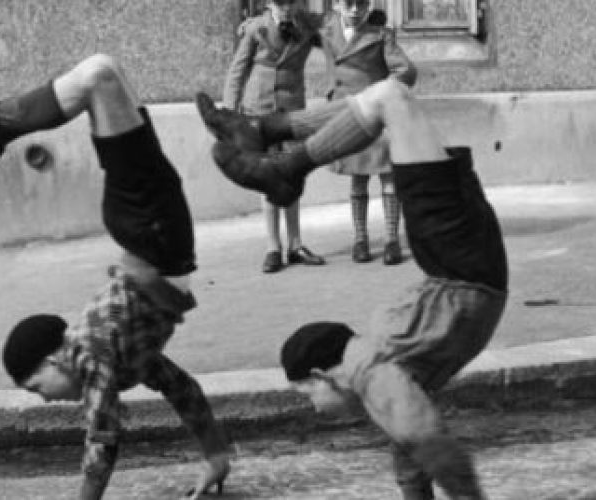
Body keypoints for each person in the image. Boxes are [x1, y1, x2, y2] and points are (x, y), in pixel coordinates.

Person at [0, 54, 232, 500]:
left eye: (38, 387)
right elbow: (182, 389)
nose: (49, 400)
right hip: (155, 231)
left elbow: (101, 444)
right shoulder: (123, 354)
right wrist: (216, 457)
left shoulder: (93, 354)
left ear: (55, 360)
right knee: (103, 76)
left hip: (152, 230)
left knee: (99, 76)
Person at [196, 77, 507, 500]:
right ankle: (267, 135)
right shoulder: (376, 369)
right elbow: (410, 449)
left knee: (392, 99)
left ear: (324, 375)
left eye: (307, 395)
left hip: (462, 261)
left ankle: (283, 165)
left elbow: (428, 437)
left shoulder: (368, 373)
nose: (312, 407)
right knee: (390, 99)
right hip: (459, 260)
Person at [224, 0, 326, 273]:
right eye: (280, 3)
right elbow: (237, 70)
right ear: (269, 4)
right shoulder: (256, 29)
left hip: (291, 113)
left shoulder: (307, 26)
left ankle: (295, 245)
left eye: (291, 2)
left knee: (292, 175)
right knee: (267, 178)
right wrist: (230, 113)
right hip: (260, 111)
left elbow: (338, 38)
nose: (286, 8)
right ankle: (273, 247)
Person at [320, 0, 416, 265]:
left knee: (388, 175)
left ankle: (390, 240)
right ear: (337, 4)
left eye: (361, 4)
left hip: (376, 114)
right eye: (349, 4)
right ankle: (360, 240)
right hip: (348, 113)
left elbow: (405, 69)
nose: (355, 10)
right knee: (358, 176)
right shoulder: (327, 30)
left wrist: (385, 93)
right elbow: (295, 19)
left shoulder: (379, 35)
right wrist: (256, 23)